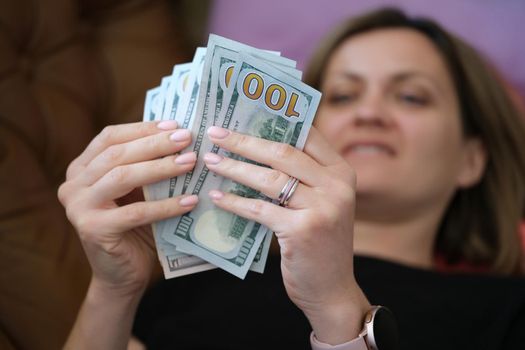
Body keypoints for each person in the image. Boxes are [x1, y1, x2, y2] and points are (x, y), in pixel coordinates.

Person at [58, 8, 525, 350]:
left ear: (472, 159)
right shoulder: (190, 290)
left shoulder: (510, 312)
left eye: (410, 97)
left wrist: (338, 311)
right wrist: (113, 290)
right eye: (342, 96)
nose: (368, 112)